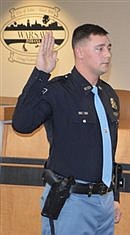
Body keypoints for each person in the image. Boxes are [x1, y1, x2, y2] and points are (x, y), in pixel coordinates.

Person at [12, 24, 122, 234]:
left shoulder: (109, 95)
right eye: (100, 48)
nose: (107, 54)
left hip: (105, 203)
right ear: (79, 52)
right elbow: (22, 123)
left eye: (109, 47)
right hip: (72, 202)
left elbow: (109, 150)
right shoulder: (58, 91)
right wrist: (41, 73)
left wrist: (113, 196)